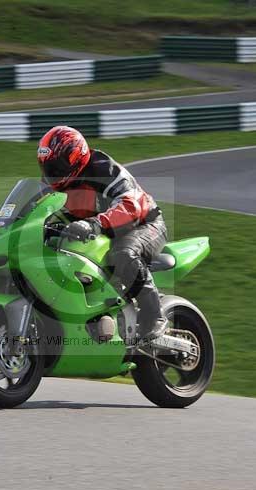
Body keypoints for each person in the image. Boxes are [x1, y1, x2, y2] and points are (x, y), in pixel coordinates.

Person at [37, 125, 168, 341]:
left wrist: (95, 224)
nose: (52, 173)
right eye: (48, 167)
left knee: (123, 254)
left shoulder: (103, 169)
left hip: (144, 224)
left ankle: (154, 316)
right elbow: (39, 209)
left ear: (75, 158)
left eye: (57, 167)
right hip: (101, 231)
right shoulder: (54, 182)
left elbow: (131, 205)